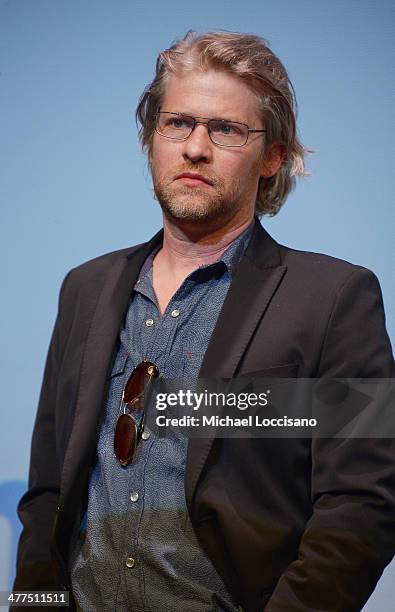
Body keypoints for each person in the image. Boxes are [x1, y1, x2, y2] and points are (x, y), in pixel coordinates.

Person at [14, 31, 394, 612]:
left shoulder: (336, 298)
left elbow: (364, 505)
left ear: (272, 156)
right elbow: (46, 497)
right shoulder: (84, 291)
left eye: (226, 129)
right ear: (151, 139)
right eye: (178, 124)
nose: (195, 148)